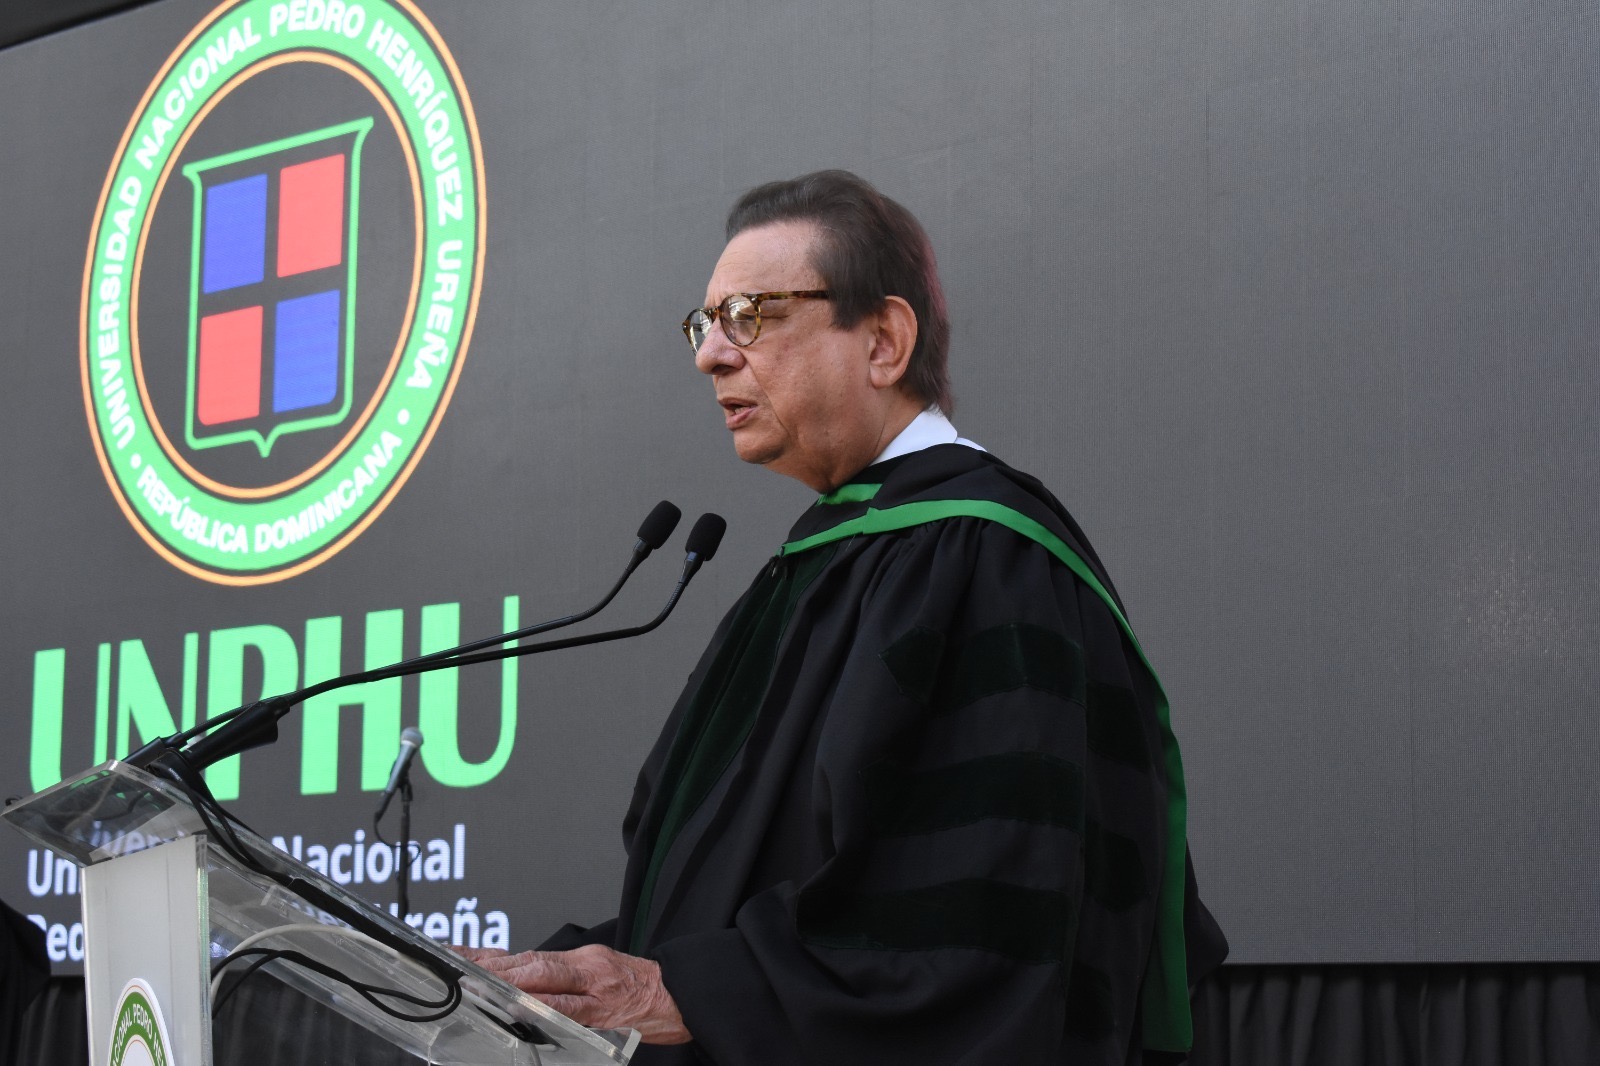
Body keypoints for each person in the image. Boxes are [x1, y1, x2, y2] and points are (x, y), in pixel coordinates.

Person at [464, 170, 1227, 1063]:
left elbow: (974, 916)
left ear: (884, 341)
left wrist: (687, 990)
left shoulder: (984, 559)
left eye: (749, 315)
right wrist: (559, 978)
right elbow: (737, 891)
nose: (711, 355)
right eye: (705, 323)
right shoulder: (827, 562)